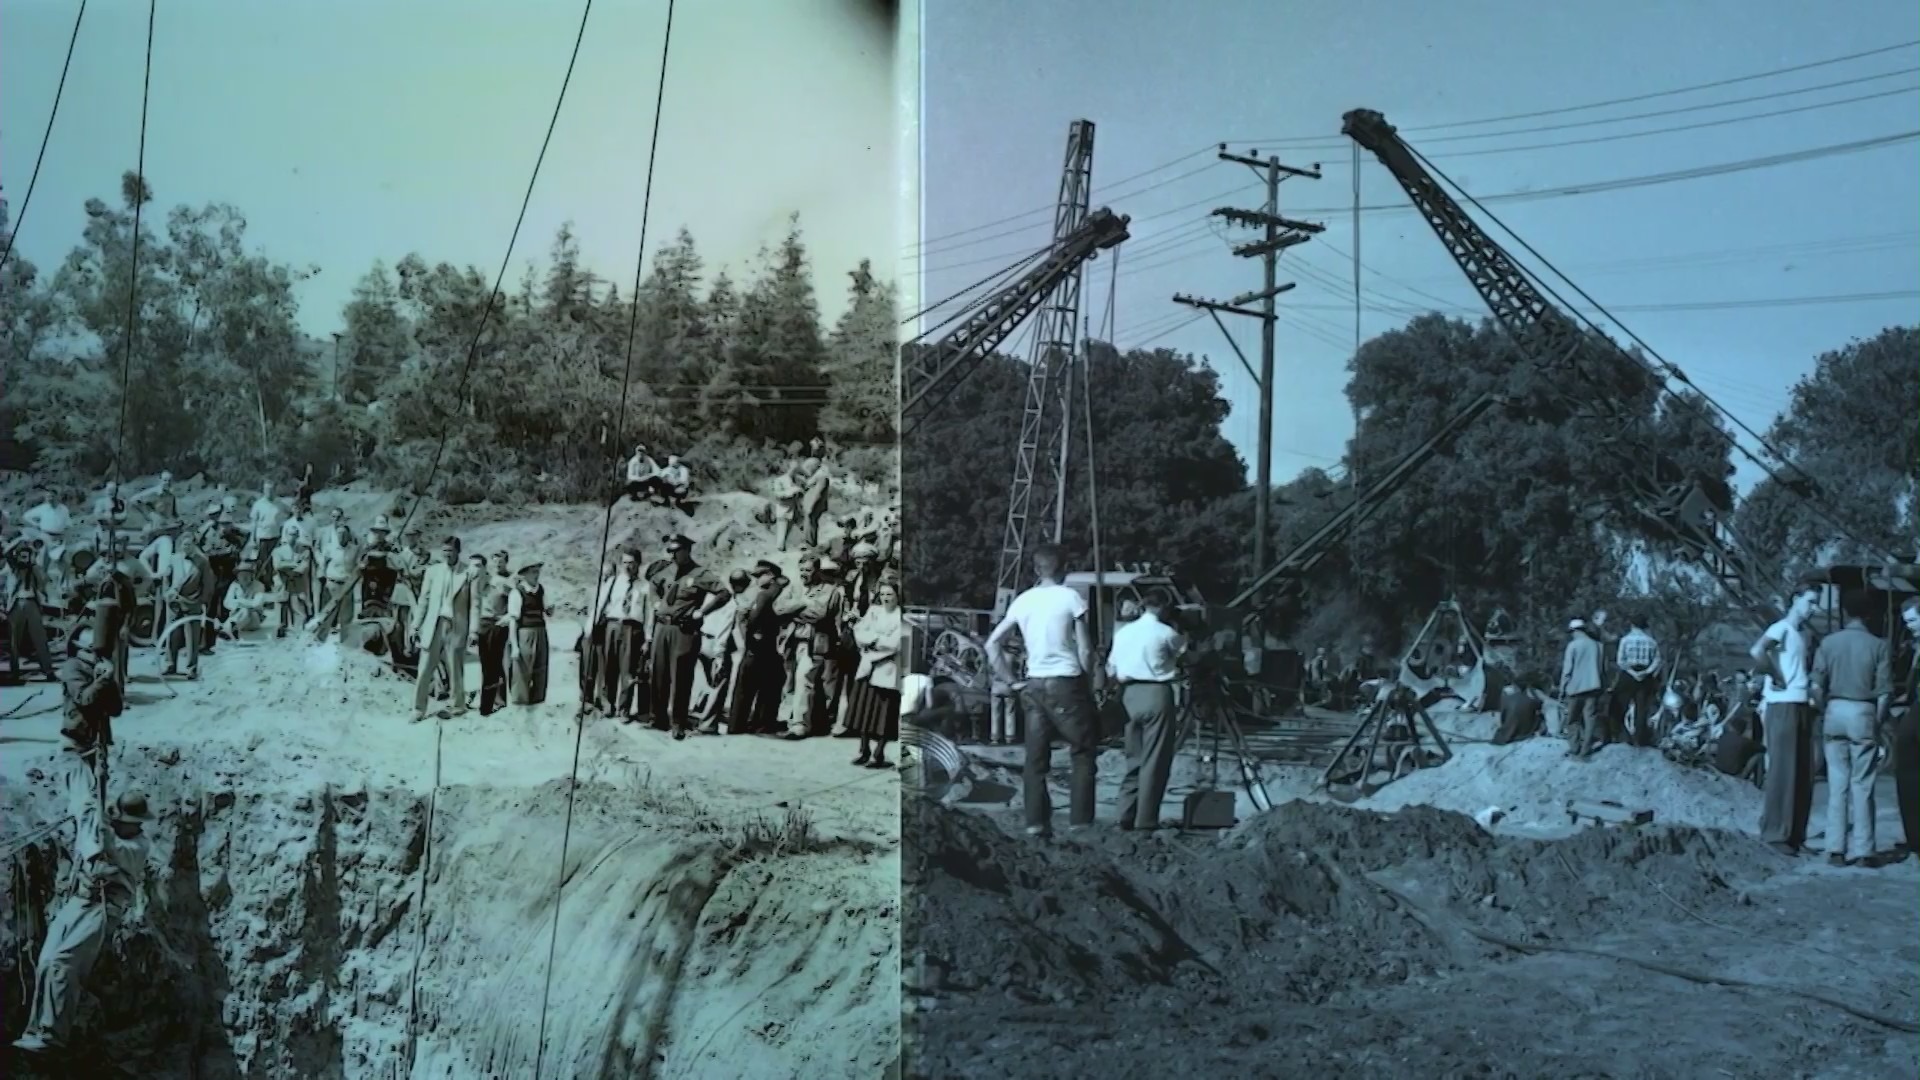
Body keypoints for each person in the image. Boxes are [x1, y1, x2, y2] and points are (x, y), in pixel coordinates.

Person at [11, 791, 156, 1056]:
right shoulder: (107, 832)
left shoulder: (138, 845)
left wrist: (97, 820)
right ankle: (35, 1029)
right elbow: (94, 836)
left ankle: (52, 1033)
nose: (131, 825)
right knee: (46, 961)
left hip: (104, 907)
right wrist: (94, 816)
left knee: (64, 963)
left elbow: (111, 847)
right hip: (79, 901)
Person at [985, 543, 1100, 836]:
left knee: (1035, 760)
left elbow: (991, 644)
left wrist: (1011, 681)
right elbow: (1085, 649)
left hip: (1033, 685)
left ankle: (1036, 823)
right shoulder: (1072, 598)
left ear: (1036, 570)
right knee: (1083, 752)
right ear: (1064, 568)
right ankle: (1080, 823)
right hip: (1066, 681)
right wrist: (1088, 683)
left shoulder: (1022, 601)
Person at [1810, 591, 1894, 867]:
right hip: (1863, 711)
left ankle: (1835, 849)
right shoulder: (1878, 646)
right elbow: (1884, 693)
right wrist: (1877, 721)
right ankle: (1864, 851)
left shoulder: (1828, 643)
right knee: (1863, 784)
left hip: (1835, 710)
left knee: (1837, 784)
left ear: (1844, 613)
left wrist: (1825, 710)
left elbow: (1816, 686)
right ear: (1868, 615)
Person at [1750, 581, 1821, 857]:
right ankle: (1774, 832)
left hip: (1802, 703)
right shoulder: (1780, 628)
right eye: (1809, 602)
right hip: (1783, 704)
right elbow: (1757, 651)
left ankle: (1795, 834)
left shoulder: (1802, 634)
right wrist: (1776, 676)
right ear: (1795, 599)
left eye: (1816, 603)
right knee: (1783, 769)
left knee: (1804, 771)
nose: (1813, 609)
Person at [1108, 587, 1187, 831]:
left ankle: (1125, 814)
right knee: (1154, 760)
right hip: (1156, 694)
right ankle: (1146, 820)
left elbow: (1111, 667)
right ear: (1165, 607)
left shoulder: (1123, 632)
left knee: (1133, 758)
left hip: (1128, 695)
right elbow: (1186, 656)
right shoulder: (1166, 632)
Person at [648, 535, 726, 740]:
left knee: (681, 677)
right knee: (659, 673)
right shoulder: (664, 572)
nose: (672, 555)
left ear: (687, 550)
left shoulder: (700, 573)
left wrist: (703, 611)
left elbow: (723, 593)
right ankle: (658, 718)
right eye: (670, 551)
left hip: (684, 631)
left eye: (676, 551)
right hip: (662, 628)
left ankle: (678, 722)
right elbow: (653, 585)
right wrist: (656, 603)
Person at [776, 554, 844, 741]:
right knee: (791, 681)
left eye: (808, 570)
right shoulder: (795, 588)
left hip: (813, 644)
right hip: (791, 642)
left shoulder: (830, 591)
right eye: (802, 570)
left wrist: (793, 613)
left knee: (805, 679)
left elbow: (819, 614)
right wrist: (802, 604)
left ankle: (800, 725)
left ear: (817, 571)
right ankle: (788, 718)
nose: (804, 574)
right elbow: (778, 608)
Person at [409, 536, 475, 723]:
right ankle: (418, 708)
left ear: (458, 552)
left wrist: (473, 630)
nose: (446, 554)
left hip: (456, 625)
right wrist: (415, 625)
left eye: (450, 551)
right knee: (424, 668)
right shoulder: (432, 571)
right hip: (434, 625)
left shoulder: (467, 573)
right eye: (444, 550)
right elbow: (424, 600)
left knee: (455, 667)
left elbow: (475, 604)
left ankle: (457, 706)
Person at [847, 577, 904, 768]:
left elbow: (894, 644)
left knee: (883, 714)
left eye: (890, 594)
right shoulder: (874, 611)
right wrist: (874, 639)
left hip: (886, 669)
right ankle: (864, 750)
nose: (886, 598)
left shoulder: (900, 616)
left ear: (897, 596)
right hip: (867, 667)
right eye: (883, 594)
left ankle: (878, 753)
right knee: (863, 711)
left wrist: (873, 640)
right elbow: (859, 631)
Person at [590, 549, 650, 720]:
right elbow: (601, 605)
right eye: (625, 562)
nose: (628, 566)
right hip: (613, 626)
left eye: (631, 562)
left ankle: (623, 709)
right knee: (609, 667)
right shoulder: (613, 582)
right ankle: (608, 705)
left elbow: (648, 615)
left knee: (628, 671)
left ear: (638, 564)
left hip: (633, 629)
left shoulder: (645, 587)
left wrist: (648, 638)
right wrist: (593, 627)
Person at [730, 560, 787, 735]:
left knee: (744, 688)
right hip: (772, 646)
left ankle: (736, 726)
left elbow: (753, 620)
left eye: (759, 575)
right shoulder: (780, 590)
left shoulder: (764, 595)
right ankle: (763, 724)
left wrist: (745, 623)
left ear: (770, 575)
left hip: (757, 646)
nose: (756, 580)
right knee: (769, 687)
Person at [694, 569, 751, 735]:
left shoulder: (712, 597)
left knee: (708, 680)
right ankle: (708, 724)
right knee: (720, 682)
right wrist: (720, 655)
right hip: (715, 644)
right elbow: (723, 632)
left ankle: (699, 709)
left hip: (702, 640)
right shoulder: (731, 603)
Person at [4, 540, 58, 683]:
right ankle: (14, 672)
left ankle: (48, 671)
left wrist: (35, 565)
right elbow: (6, 553)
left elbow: (43, 582)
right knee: (14, 640)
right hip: (16, 604)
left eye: (26, 556)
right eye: (21, 555)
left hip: (32, 602)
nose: (24, 558)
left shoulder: (35, 568)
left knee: (40, 638)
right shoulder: (13, 567)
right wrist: (20, 540)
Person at [163, 535, 215, 680]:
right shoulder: (174, 559)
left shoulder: (202, 561)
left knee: (192, 637)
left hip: (192, 603)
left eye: (189, 544)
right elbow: (166, 578)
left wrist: (202, 601)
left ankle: (191, 668)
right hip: (174, 603)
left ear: (194, 545)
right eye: (183, 545)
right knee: (171, 634)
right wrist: (167, 594)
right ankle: (170, 664)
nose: (186, 547)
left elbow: (208, 584)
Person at [1893, 595, 1920, 857]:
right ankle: (1914, 836)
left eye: (1913, 621)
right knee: (1907, 773)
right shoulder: (1914, 647)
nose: (1909, 626)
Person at [473, 552, 514, 715]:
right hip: (484, 623)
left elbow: (515, 602)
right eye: (495, 561)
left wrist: (506, 617)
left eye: (501, 562)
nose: (498, 565)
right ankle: (488, 702)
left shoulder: (509, 581)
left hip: (498, 624)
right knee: (486, 665)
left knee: (497, 664)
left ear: (506, 562)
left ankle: (497, 701)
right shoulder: (486, 579)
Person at [1558, 618, 1605, 758]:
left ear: (1575, 631)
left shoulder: (1573, 646)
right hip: (1593, 686)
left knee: (1572, 719)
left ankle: (1574, 747)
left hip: (1575, 688)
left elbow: (1567, 671)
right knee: (1589, 719)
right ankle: (1586, 749)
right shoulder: (1597, 645)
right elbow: (1602, 669)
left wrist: (1562, 689)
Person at [1613, 616, 1663, 747]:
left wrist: (1632, 672)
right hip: (1645, 675)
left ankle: (1621, 737)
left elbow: (1620, 661)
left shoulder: (1625, 640)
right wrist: (1646, 672)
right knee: (1641, 709)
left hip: (1628, 674)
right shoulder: (1651, 641)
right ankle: (1640, 740)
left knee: (1620, 706)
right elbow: (1657, 660)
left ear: (1632, 625)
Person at [506, 563, 550, 706]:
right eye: (533, 572)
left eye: (538, 571)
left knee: (541, 669)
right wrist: (515, 646)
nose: (536, 574)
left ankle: (538, 702)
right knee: (522, 670)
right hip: (525, 633)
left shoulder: (541, 590)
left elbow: (545, 611)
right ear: (524, 574)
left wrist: (550, 610)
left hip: (541, 632)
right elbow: (513, 621)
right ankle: (520, 702)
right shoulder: (517, 592)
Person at [218, 562, 277, 638]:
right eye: (241, 575)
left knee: (245, 610)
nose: (244, 577)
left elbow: (256, 604)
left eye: (247, 575)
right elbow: (226, 603)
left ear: (252, 575)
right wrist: (241, 603)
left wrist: (239, 601)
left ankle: (229, 628)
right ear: (237, 576)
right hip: (237, 616)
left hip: (253, 619)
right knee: (242, 610)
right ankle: (232, 628)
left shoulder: (259, 586)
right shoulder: (234, 585)